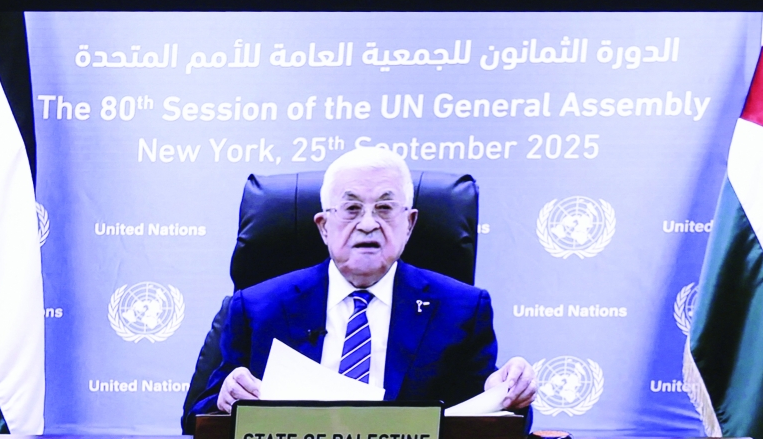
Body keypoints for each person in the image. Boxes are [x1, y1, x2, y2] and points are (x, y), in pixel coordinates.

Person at [185, 147, 537, 421]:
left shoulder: (462, 309)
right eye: (351, 209)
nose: (368, 224)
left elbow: (489, 418)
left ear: (409, 224)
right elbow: (197, 419)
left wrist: (506, 393)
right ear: (324, 226)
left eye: (385, 208)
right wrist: (226, 397)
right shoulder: (258, 307)